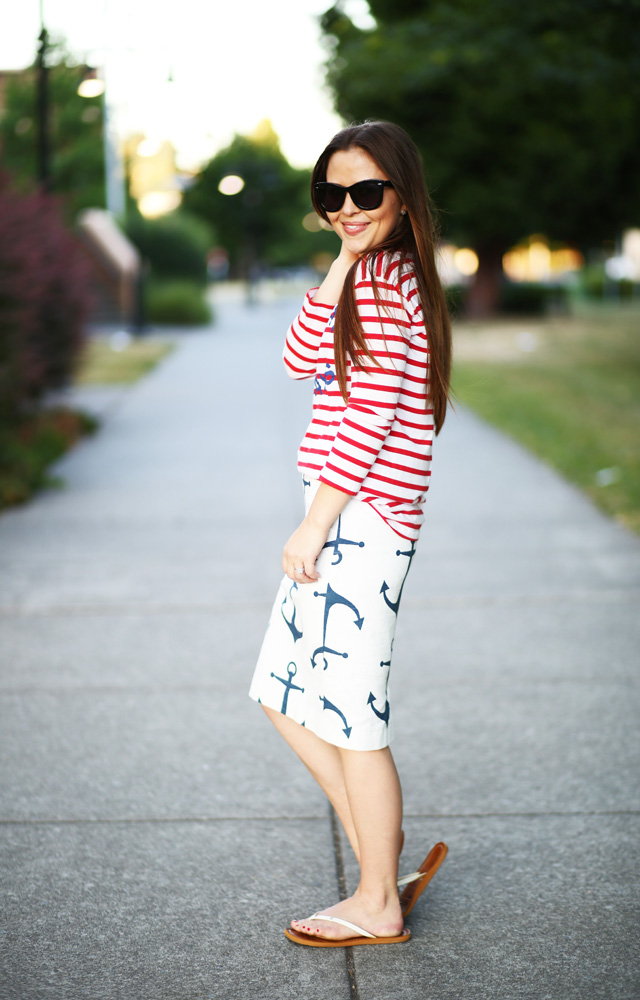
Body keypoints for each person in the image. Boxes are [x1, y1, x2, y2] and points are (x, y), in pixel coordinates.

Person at [248, 120, 451, 947]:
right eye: (332, 194)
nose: (348, 206)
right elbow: (300, 359)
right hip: (351, 517)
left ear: (402, 197)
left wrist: (313, 525)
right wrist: (341, 258)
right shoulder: (371, 275)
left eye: (367, 192)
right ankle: (381, 851)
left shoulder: (387, 285)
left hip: (356, 520)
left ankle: (376, 898)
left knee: (349, 718)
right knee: (282, 693)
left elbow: (367, 420)